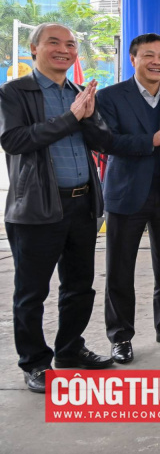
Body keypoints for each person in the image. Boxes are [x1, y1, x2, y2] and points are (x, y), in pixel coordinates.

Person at [0, 23, 115, 393]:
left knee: (80, 286)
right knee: (32, 292)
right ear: (34, 48)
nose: (64, 49)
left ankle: (69, 350)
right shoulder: (15, 92)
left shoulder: (79, 93)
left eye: (71, 44)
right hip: (38, 207)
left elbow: (102, 142)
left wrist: (90, 116)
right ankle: (35, 363)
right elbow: (15, 140)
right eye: (54, 42)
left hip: (82, 204)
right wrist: (71, 118)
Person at [97, 33, 160, 364]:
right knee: (120, 269)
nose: (157, 62)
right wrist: (151, 140)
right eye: (149, 55)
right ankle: (120, 336)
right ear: (133, 59)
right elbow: (107, 142)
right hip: (126, 193)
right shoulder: (110, 96)